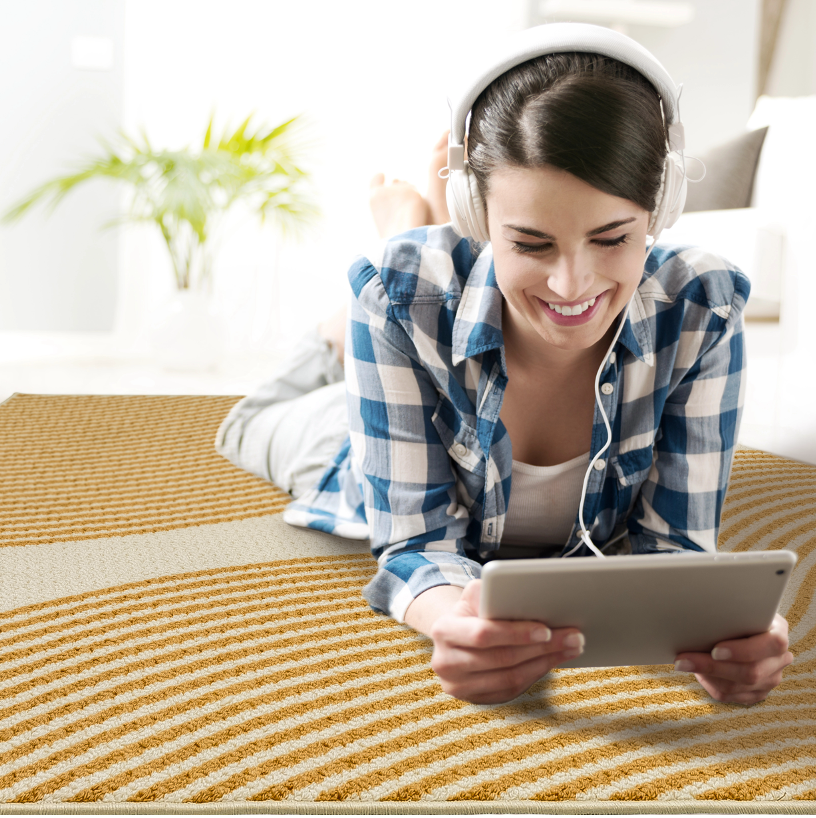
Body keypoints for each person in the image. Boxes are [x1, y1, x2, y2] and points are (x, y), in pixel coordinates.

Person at [215, 23, 793, 707]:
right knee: (246, 423)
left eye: (612, 239)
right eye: (531, 243)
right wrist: (450, 619)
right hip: (348, 432)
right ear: (477, 212)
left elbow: (676, 547)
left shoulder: (702, 304)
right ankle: (358, 310)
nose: (573, 285)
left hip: (435, 302)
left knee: (414, 288)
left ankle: (417, 257)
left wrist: (725, 631)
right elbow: (415, 542)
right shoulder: (399, 289)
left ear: (660, 210)